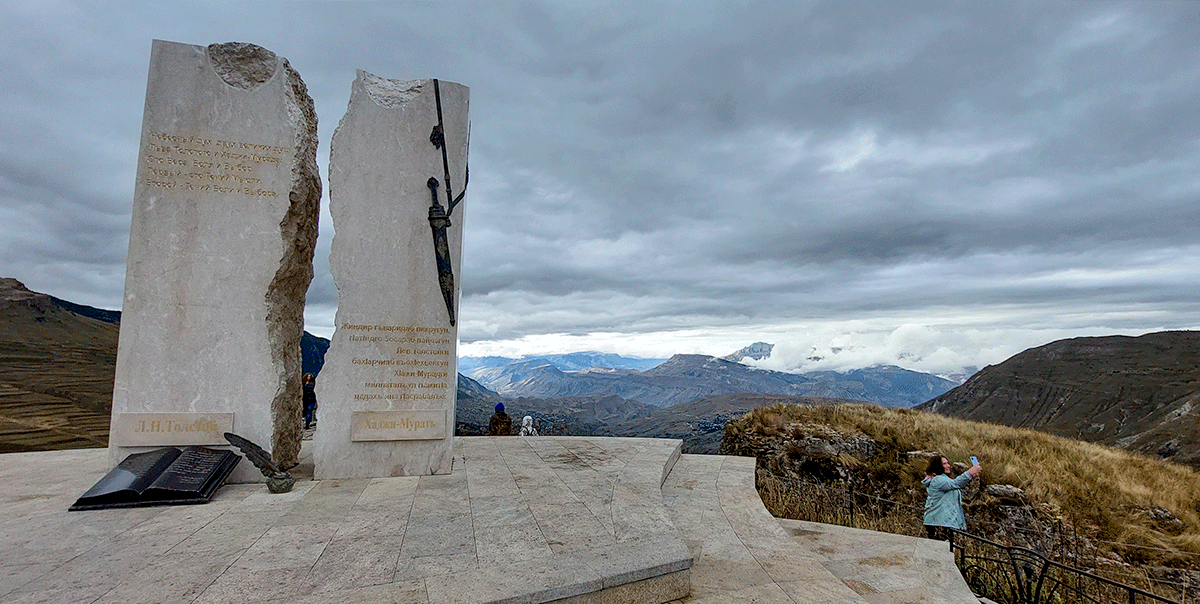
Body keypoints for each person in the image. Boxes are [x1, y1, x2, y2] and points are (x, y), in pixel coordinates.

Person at [922, 454, 981, 540]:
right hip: (939, 523)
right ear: (938, 466)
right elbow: (956, 483)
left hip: (941, 522)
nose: (948, 465)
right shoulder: (938, 480)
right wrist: (969, 473)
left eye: (947, 463)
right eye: (944, 464)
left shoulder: (943, 480)